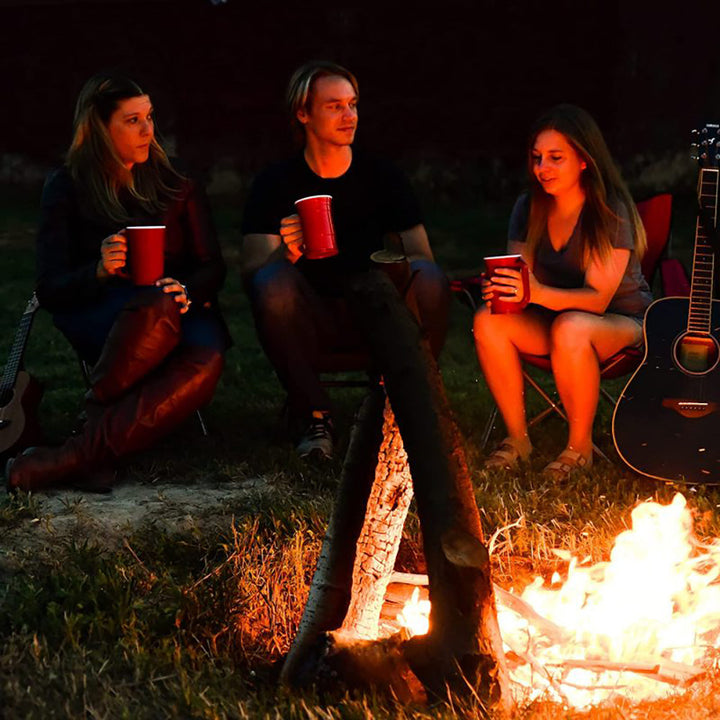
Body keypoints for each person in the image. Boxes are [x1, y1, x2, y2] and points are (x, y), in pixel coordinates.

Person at [5, 72, 229, 492]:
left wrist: (190, 290)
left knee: (207, 359)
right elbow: (50, 287)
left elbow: (212, 265)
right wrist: (97, 271)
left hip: (178, 311)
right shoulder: (67, 186)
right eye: (132, 120)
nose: (149, 130)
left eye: (149, 117)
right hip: (103, 314)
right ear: (100, 128)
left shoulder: (174, 180)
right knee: (153, 304)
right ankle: (89, 450)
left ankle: (77, 451)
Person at [241, 60, 450, 461]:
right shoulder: (276, 181)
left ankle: (407, 404)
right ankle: (315, 417)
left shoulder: (382, 176)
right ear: (303, 113)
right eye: (334, 106)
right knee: (273, 284)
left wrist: (392, 264)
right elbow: (251, 273)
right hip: (309, 316)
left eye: (353, 104)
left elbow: (423, 256)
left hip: (376, 309)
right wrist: (287, 253)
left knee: (430, 277)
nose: (349, 115)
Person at [473, 104, 652, 480]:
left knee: (572, 326)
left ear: (584, 160)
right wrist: (504, 287)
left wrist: (533, 291)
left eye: (556, 158)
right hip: (555, 321)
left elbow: (597, 300)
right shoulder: (529, 206)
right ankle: (518, 440)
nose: (543, 169)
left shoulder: (608, 211)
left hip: (622, 323)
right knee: (489, 320)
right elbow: (522, 280)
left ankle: (579, 448)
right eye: (537, 158)